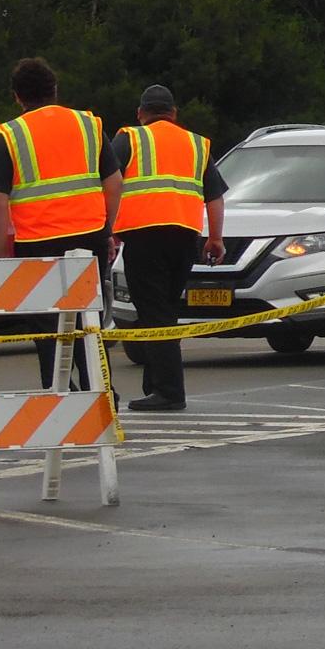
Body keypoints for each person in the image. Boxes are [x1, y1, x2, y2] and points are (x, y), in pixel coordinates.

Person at [0, 58, 122, 391]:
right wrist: (106, 229)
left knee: (48, 328)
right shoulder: (88, 125)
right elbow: (114, 183)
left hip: (38, 243)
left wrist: (3, 257)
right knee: (89, 321)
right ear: (55, 89)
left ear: (17, 97)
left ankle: (59, 396)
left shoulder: (10, 135)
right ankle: (101, 397)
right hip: (89, 239)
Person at [111, 85, 226, 411]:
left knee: (154, 314)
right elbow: (214, 196)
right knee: (164, 311)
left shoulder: (130, 138)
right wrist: (215, 238)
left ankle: (169, 392)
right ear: (174, 114)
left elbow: (109, 181)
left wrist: (107, 228)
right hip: (185, 239)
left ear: (140, 113)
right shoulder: (196, 144)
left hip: (144, 238)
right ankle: (155, 386)